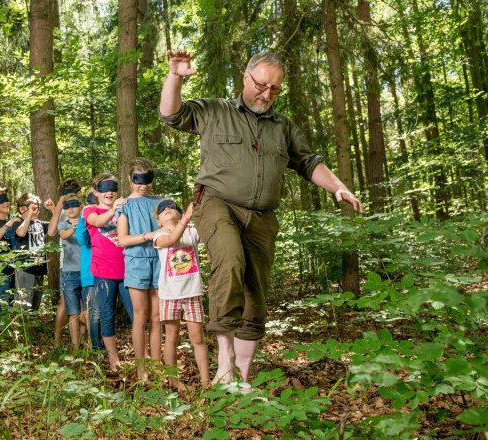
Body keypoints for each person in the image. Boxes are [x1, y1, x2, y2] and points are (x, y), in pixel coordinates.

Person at [159, 50, 364, 385]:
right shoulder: (216, 111)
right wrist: (175, 77)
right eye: (261, 85)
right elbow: (171, 114)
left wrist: (338, 186)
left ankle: (241, 378)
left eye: (275, 89)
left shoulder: (283, 127)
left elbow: (309, 162)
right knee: (230, 260)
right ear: (246, 77)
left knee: (255, 294)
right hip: (217, 203)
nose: (266, 94)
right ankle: (224, 360)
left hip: (263, 217)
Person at [152, 199, 209, 389]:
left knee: (198, 338)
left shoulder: (192, 232)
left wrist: (195, 214)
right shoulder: (159, 236)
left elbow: (208, 232)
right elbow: (171, 240)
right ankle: (174, 381)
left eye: (173, 207)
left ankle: (205, 381)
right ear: (159, 221)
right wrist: (186, 218)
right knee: (172, 338)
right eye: (163, 209)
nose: (168, 209)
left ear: (180, 213)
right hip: (169, 295)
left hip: (192, 293)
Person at [116, 158, 164, 380]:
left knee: (157, 316)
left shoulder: (160, 203)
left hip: (159, 261)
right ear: (130, 179)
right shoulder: (124, 205)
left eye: (147, 180)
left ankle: (156, 365)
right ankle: (141, 367)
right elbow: (123, 239)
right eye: (138, 180)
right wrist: (148, 235)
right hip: (136, 263)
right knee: (140, 316)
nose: (143, 185)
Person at [84, 173, 134, 372]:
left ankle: (143, 357)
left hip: (129, 270)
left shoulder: (125, 208)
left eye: (113, 188)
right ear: (96, 192)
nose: (109, 192)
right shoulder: (89, 210)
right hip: (104, 272)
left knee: (138, 315)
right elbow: (98, 222)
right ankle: (114, 360)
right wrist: (114, 209)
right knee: (107, 315)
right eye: (104, 189)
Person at [45, 178, 83, 344]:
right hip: (67, 265)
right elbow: (51, 232)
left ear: (79, 194)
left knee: (82, 305)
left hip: (85, 264)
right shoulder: (64, 212)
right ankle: (57, 342)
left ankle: (81, 341)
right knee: (65, 303)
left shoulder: (83, 211)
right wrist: (59, 204)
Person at [56, 193, 87, 349]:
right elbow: (64, 235)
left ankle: (83, 341)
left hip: (87, 271)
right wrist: (75, 227)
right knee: (73, 311)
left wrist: (82, 224)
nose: (70, 209)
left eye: (74, 205)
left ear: (80, 206)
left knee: (86, 311)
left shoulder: (87, 222)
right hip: (69, 273)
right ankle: (75, 347)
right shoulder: (62, 224)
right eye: (66, 206)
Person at [75, 189, 104, 351]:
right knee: (95, 313)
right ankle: (97, 348)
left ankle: (103, 345)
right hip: (90, 273)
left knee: (105, 312)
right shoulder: (86, 218)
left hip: (108, 271)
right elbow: (82, 239)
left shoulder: (108, 217)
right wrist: (83, 218)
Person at [13, 193, 49, 312]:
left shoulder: (39, 223)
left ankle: (31, 324)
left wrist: (54, 209)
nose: (36, 211)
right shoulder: (17, 222)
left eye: (37, 207)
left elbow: (53, 229)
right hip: (26, 270)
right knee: (23, 308)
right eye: (32, 207)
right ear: (22, 209)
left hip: (39, 269)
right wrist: (29, 215)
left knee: (34, 308)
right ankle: (20, 324)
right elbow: (21, 233)